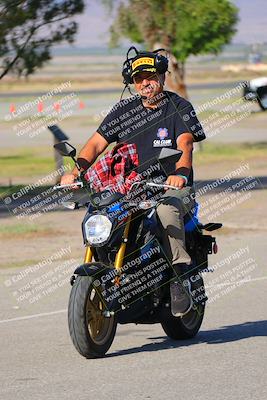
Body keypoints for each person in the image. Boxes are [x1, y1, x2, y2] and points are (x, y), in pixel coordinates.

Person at [61, 47, 206, 316]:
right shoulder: (124, 111)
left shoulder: (179, 107)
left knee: (165, 210)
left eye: (150, 75)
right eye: (139, 78)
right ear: (132, 82)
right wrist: (77, 170)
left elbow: (186, 146)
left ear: (162, 76)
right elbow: (95, 144)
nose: (144, 82)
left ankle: (179, 277)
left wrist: (180, 174)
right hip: (129, 188)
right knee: (100, 209)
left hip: (169, 187)